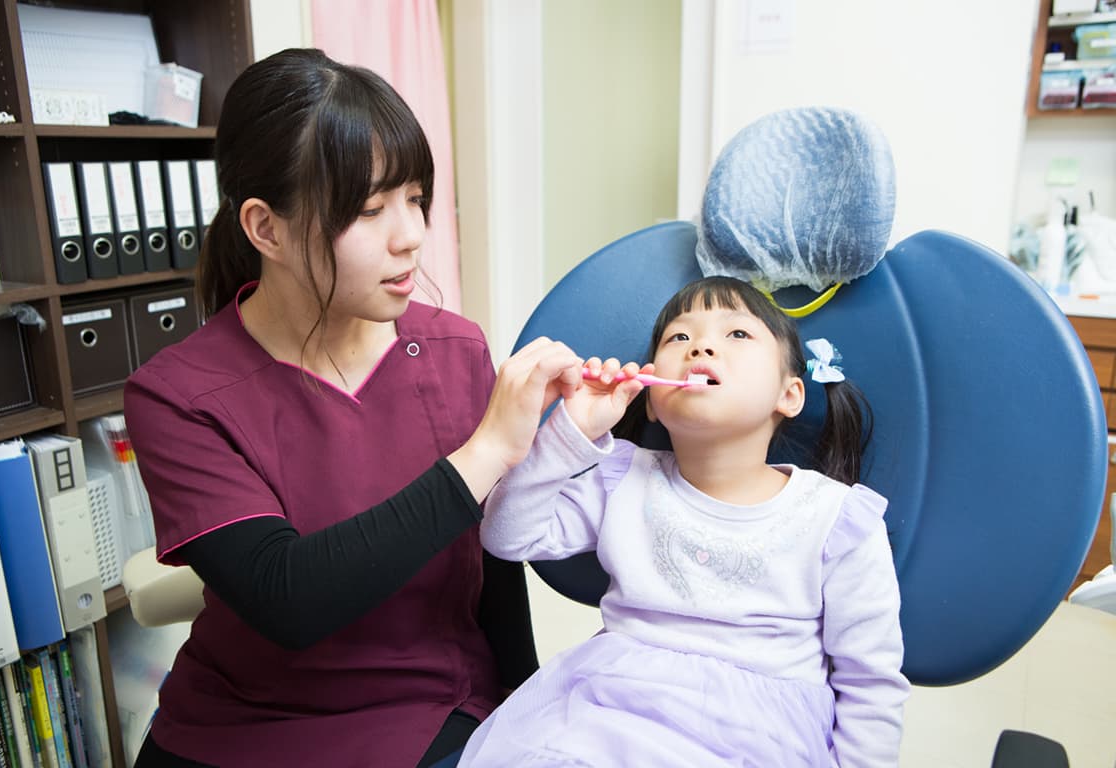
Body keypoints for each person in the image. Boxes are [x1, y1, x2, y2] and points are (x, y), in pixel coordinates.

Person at [123, 48, 586, 768]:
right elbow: (288, 598)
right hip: (233, 727)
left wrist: (520, 709)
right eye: (370, 211)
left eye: (415, 198)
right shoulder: (177, 396)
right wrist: (487, 451)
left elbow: (490, 565)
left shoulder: (452, 349)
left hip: (424, 707)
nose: (410, 236)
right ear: (265, 228)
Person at [460, 276, 911, 767]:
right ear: (653, 400)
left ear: (790, 394)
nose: (701, 346)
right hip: (605, 721)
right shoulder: (620, 478)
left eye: (737, 334)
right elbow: (506, 537)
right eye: (680, 337)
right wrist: (571, 431)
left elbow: (870, 684)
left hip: (759, 740)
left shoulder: (838, 520)